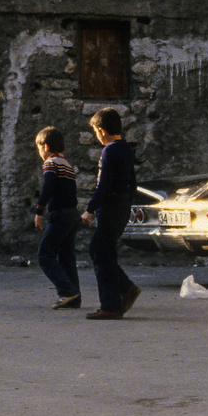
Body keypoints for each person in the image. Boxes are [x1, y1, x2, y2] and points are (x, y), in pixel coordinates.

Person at [81, 108, 140, 320]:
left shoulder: (109, 151)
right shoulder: (125, 149)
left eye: (96, 132)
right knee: (103, 251)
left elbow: (103, 185)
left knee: (99, 251)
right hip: (122, 205)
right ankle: (125, 289)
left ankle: (111, 305)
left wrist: (89, 210)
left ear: (102, 131)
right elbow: (132, 183)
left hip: (110, 205)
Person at [32, 126, 82, 309]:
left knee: (45, 254)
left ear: (45, 147)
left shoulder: (50, 163)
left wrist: (39, 211)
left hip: (60, 215)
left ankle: (67, 291)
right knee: (67, 256)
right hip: (72, 214)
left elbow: (48, 188)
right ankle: (74, 297)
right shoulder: (67, 164)